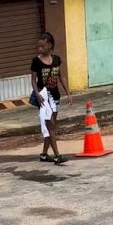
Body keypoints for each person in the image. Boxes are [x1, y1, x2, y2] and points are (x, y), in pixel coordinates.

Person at [30, 32, 73, 165]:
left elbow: (61, 77)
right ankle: (57, 156)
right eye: (38, 47)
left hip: (55, 96)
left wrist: (68, 93)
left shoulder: (56, 60)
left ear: (49, 45)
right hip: (44, 98)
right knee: (51, 126)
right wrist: (37, 94)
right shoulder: (36, 61)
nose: (40, 49)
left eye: (42, 46)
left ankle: (44, 155)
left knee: (51, 126)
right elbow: (33, 80)